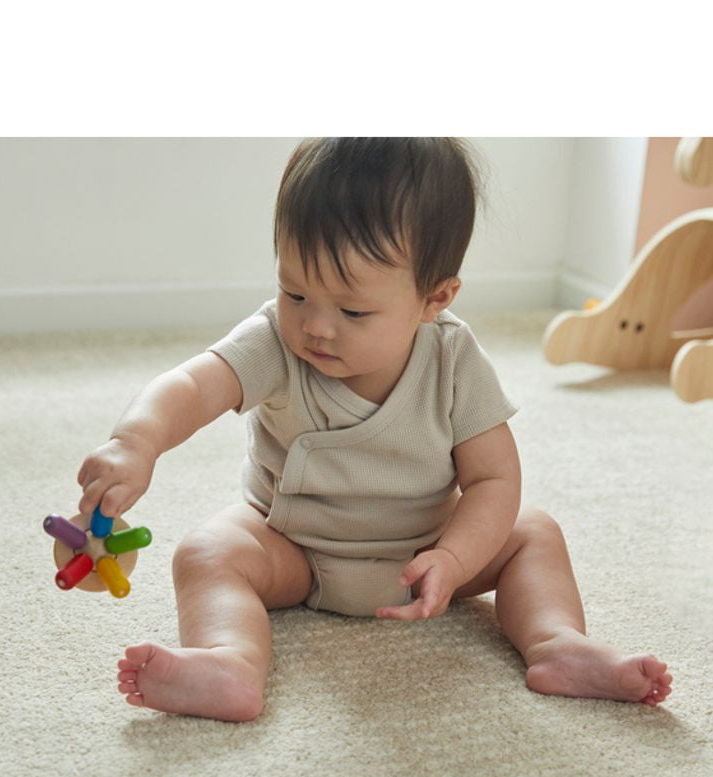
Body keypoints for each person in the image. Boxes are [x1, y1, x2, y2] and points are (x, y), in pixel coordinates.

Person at [76, 137, 673, 722]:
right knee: (208, 551)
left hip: (423, 553)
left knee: (534, 533)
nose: (315, 326)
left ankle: (556, 643)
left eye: (353, 310)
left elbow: (493, 478)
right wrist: (136, 442)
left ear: (434, 298)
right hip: (293, 548)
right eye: (294, 291)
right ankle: (228, 661)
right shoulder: (273, 343)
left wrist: (457, 559)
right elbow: (192, 386)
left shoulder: (453, 361)